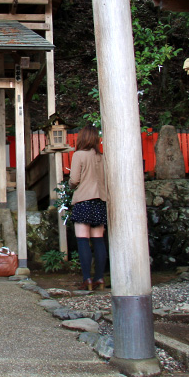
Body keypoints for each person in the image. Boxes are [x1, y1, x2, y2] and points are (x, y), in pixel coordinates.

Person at [69, 124, 110, 291]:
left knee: (82, 240)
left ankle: (87, 279)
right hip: (100, 200)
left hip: (83, 200)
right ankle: (99, 278)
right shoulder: (102, 157)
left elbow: (74, 179)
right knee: (99, 240)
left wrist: (71, 186)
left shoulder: (79, 155)